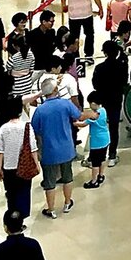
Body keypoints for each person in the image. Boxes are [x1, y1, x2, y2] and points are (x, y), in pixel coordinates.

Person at [30, 78, 86, 220]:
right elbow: (78, 115)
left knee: (49, 182)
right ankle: (67, 203)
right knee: (67, 177)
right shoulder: (65, 104)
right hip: (66, 149)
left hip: (48, 151)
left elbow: (35, 131)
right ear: (55, 90)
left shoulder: (40, 111)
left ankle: (51, 209)